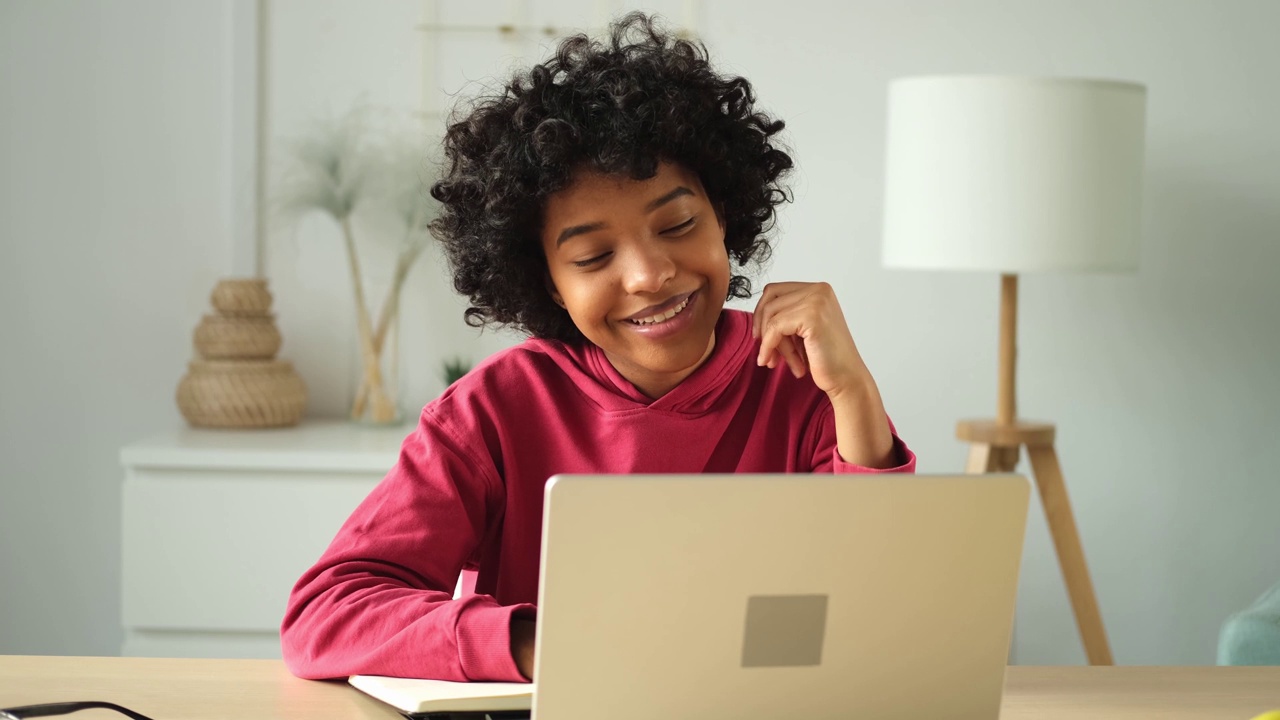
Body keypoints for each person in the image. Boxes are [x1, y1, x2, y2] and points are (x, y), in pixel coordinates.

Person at [281, 11, 915, 684]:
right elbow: (327, 613)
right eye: (591, 256)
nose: (648, 275)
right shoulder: (492, 412)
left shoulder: (801, 380)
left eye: (678, 224)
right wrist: (537, 643)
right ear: (547, 284)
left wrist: (854, 393)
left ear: (725, 214)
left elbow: (882, 615)